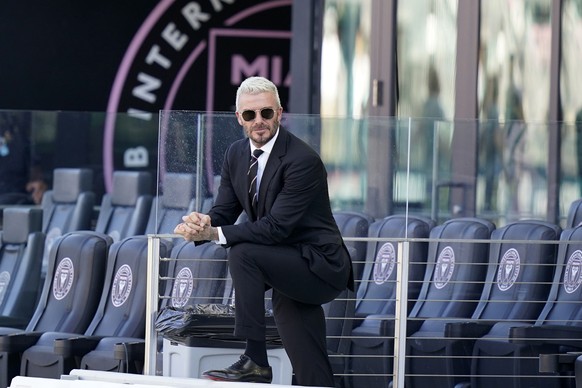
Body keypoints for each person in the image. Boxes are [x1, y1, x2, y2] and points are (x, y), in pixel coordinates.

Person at [174, 76, 353, 386]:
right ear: (239, 118)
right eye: (250, 114)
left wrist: (215, 235)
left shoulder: (303, 161)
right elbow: (225, 212)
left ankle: (255, 360)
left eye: (266, 113)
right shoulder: (236, 154)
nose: (259, 121)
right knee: (308, 358)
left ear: (279, 113)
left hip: (319, 266)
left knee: (243, 253)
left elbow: (276, 227)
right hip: (285, 264)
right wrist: (203, 222)